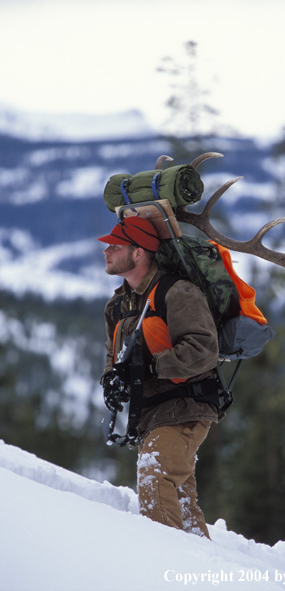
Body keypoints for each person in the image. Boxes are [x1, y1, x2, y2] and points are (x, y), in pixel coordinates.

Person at [98, 215, 223, 539]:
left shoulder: (177, 292)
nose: (106, 251)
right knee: (180, 501)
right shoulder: (118, 305)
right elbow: (114, 354)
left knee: (155, 474)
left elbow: (204, 348)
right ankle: (199, 564)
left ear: (139, 252)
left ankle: (168, 566)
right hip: (152, 414)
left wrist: (151, 367)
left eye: (115, 245)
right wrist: (111, 379)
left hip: (185, 407)